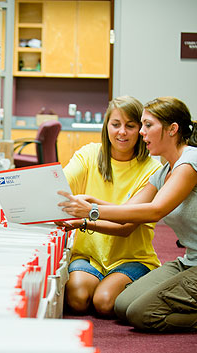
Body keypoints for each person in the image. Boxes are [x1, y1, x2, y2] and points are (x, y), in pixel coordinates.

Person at [59, 96, 197, 331]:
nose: (141, 133)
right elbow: (130, 210)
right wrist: (92, 202)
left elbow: (155, 210)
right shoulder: (164, 172)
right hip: (191, 261)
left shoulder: (194, 160)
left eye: (147, 125)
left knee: (142, 314)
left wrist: (92, 211)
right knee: (121, 306)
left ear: (172, 130)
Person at [57, 96, 162, 317]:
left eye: (130, 126)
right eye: (115, 124)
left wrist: (83, 221)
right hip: (89, 256)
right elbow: (61, 185)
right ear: (106, 127)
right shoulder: (89, 154)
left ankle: (139, 284)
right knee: (76, 300)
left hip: (133, 258)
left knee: (103, 303)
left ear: (140, 130)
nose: (122, 132)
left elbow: (126, 226)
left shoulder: (152, 169)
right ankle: (105, 285)